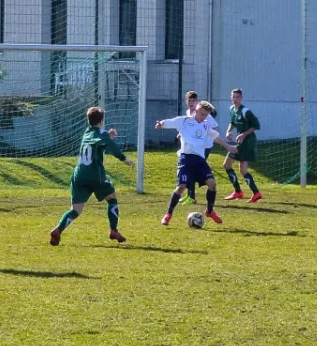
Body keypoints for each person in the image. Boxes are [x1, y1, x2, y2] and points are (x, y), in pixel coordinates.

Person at [49, 106, 135, 246]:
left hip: (78, 175)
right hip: (95, 176)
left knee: (75, 210)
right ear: (102, 121)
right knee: (111, 198)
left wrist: (108, 136)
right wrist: (125, 159)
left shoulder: (87, 132)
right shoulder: (102, 133)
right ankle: (113, 230)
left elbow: (98, 140)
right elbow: (110, 146)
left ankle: (58, 229)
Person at [155, 101, 238, 226]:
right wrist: (161, 124)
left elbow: (216, 137)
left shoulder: (205, 126)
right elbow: (170, 122)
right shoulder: (184, 121)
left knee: (212, 184)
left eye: (206, 115)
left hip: (200, 160)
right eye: (202, 114)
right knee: (181, 186)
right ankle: (168, 214)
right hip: (185, 159)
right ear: (197, 111)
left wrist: (228, 147)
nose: (203, 117)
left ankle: (209, 211)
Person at [178, 91, 219, 205]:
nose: (191, 103)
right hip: (194, 147)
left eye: (193, 100)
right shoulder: (188, 113)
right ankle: (190, 196)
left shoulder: (203, 113)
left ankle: (192, 197)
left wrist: (205, 133)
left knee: (192, 170)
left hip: (204, 147)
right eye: (189, 100)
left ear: (197, 101)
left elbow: (215, 126)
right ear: (186, 101)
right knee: (190, 170)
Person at [223, 88, 263, 203]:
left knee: (227, 164)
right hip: (242, 141)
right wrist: (228, 131)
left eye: (237, 97)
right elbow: (232, 122)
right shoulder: (232, 109)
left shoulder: (246, 111)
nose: (235, 99)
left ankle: (238, 192)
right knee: (243, 170)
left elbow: (256, 125)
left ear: (241, 98)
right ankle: (256, 193)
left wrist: (243, 134)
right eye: (233, 97)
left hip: (248, 141)